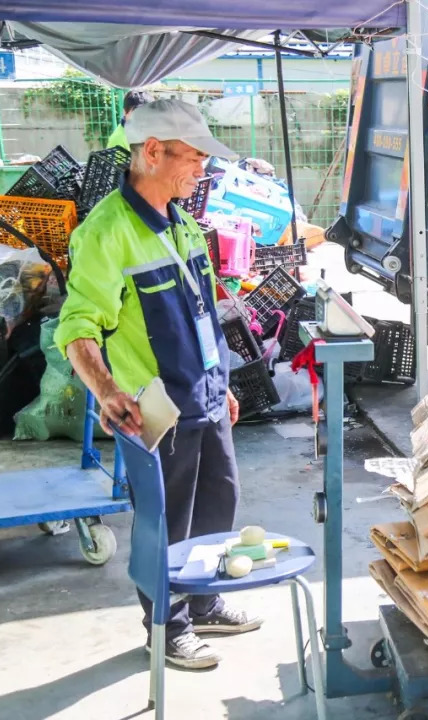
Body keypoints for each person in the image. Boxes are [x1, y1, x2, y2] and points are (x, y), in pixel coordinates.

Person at [56, 98, 259, 670]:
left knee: (219, 505)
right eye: (193, 158)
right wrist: (105, 391)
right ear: (152, 152)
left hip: (208, 400)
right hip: (159, 411)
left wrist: (223, 383)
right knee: (165, 524)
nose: (201, 171)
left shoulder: (181, 220)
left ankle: (205, 600)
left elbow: (201, 309)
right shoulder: (106, 233)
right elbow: (78, 326)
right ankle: (166, 627)